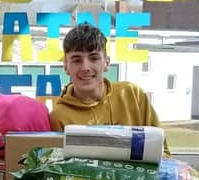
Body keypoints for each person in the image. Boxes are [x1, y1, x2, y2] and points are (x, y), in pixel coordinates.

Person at [49, 22, 170, 155]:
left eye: (94, 58)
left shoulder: (132, 95)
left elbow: (162, 152)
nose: (85, 67)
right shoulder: (59, 117)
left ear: (106, 63)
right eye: (77, 60)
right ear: (66, 66)